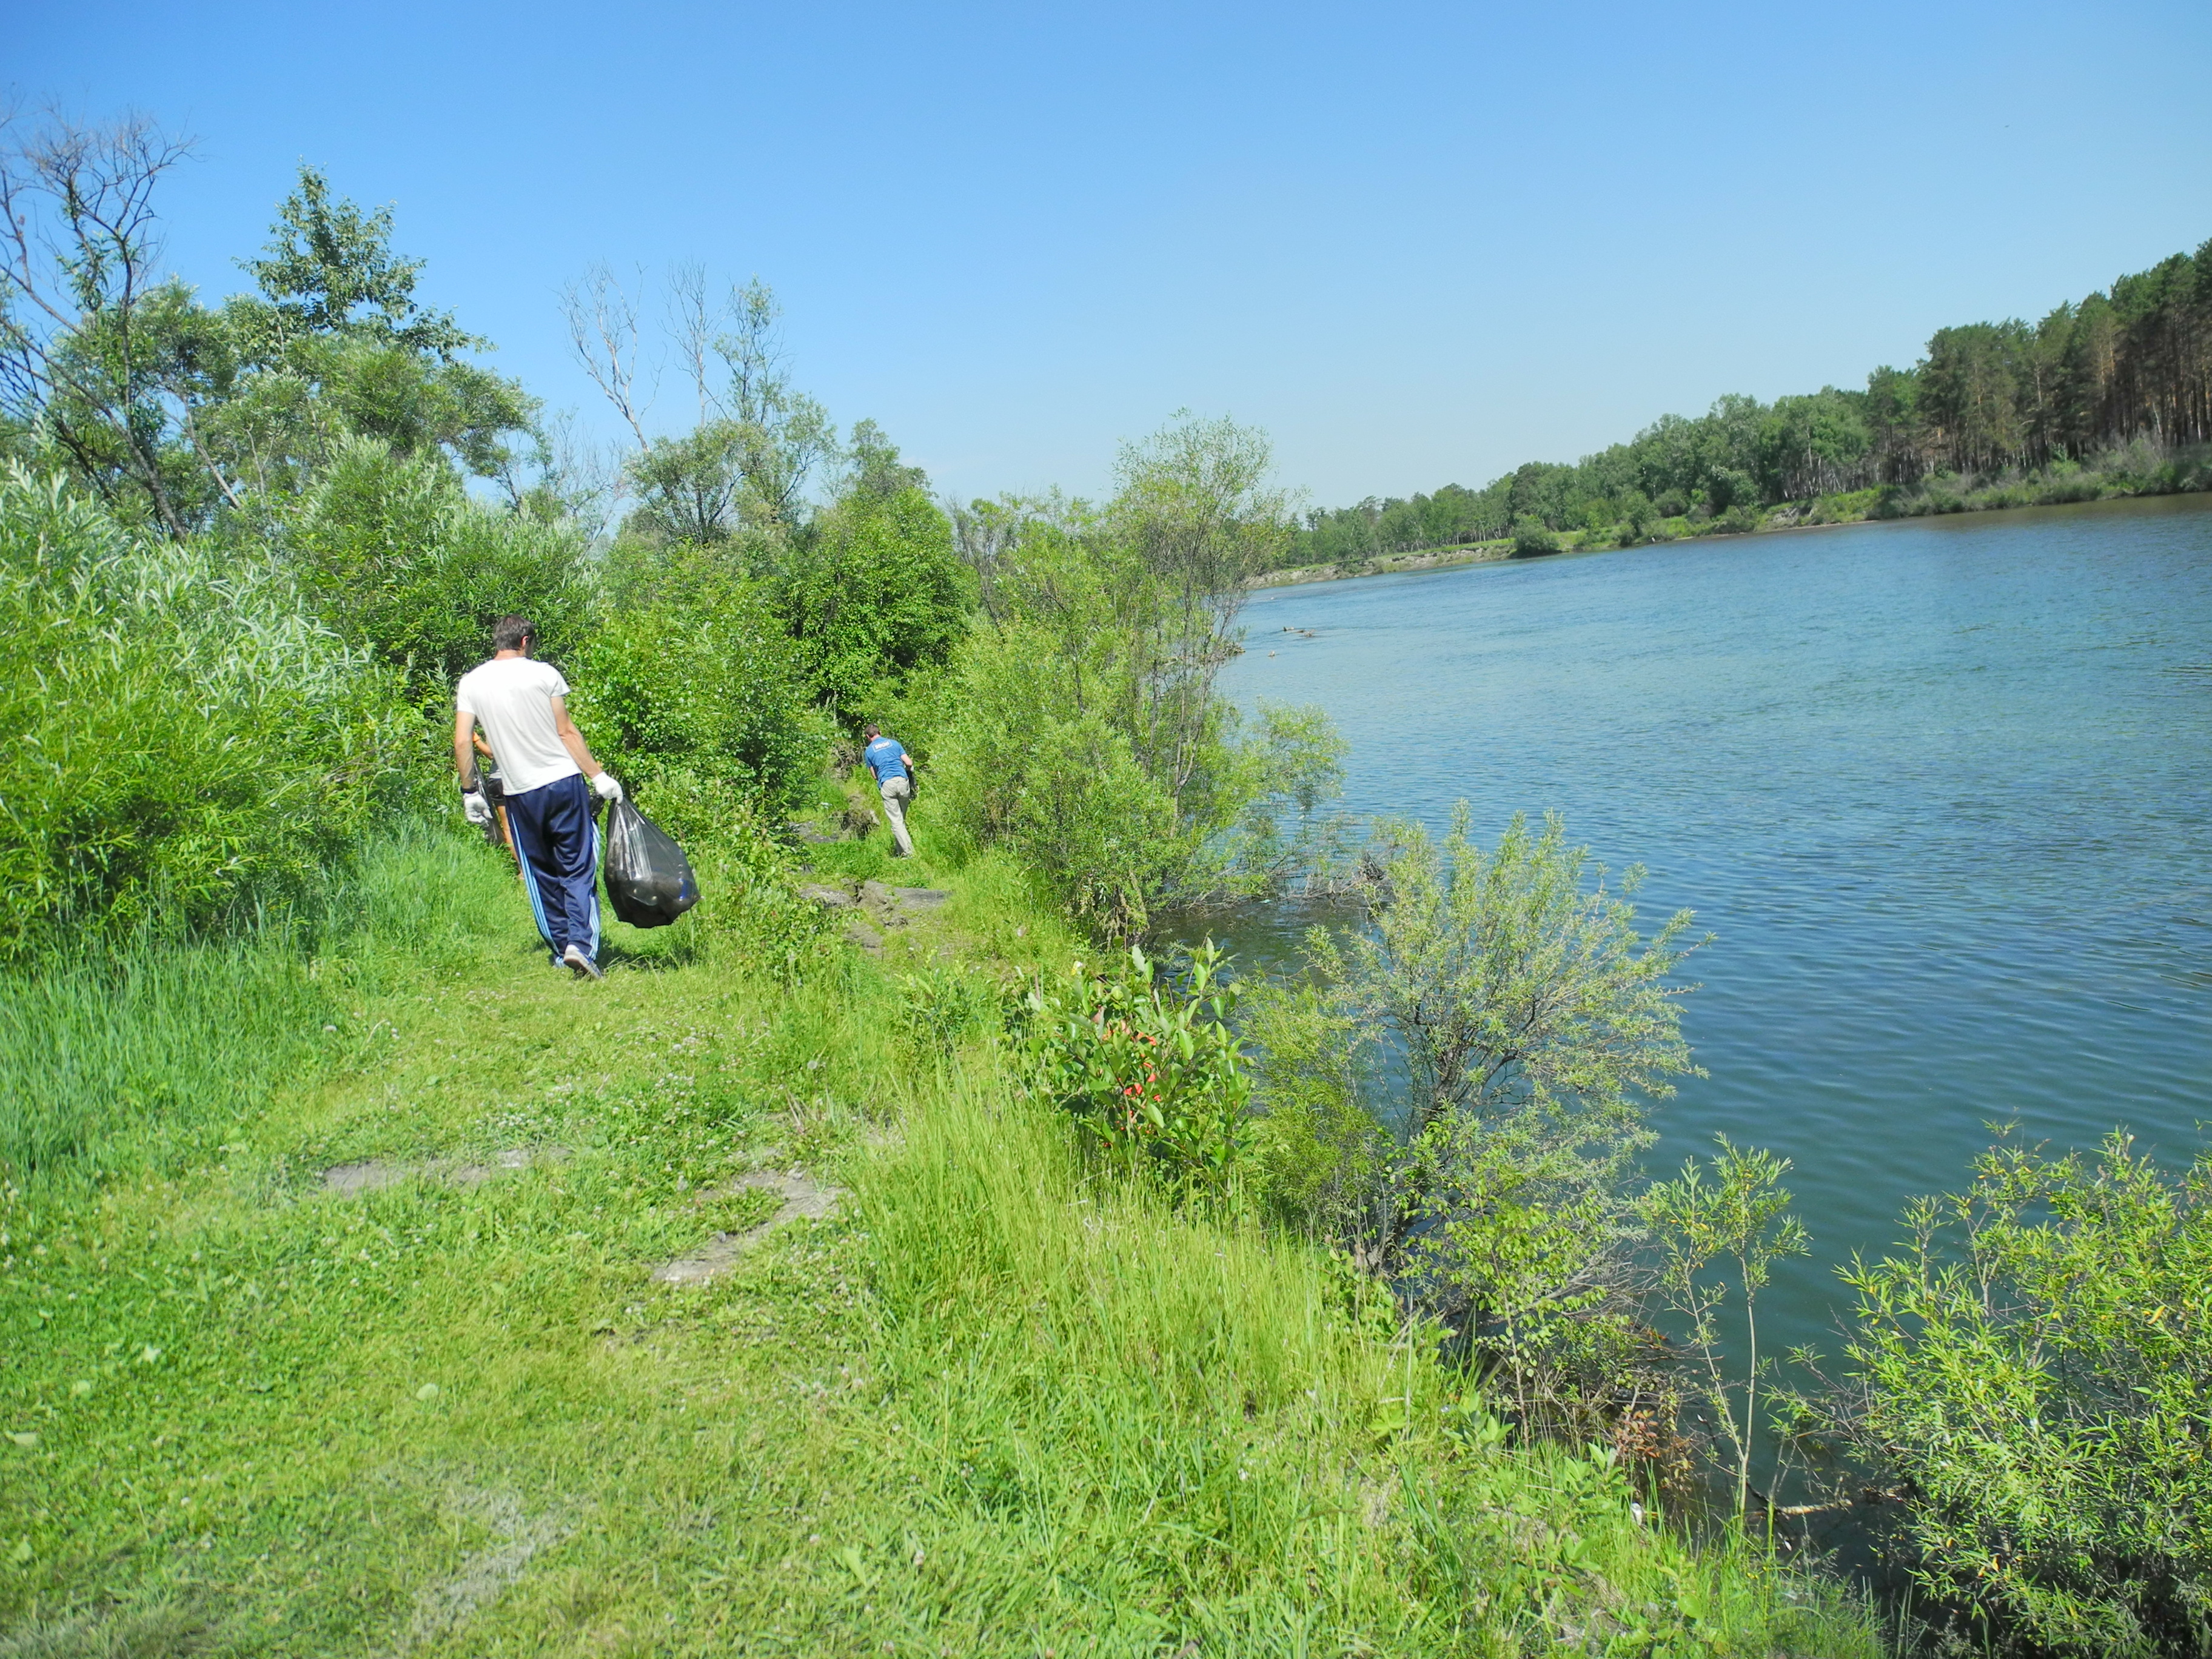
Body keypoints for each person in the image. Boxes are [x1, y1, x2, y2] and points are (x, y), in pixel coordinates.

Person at [455, 616, 624, 979]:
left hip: (518, 793)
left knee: (541, 871)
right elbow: (566, 731)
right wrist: (599, 776)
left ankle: (563, 947)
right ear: (526, 641)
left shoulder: (471, 682)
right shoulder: (544, 673)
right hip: (562, 782)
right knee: (577, 865)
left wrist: (471, 792)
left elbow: (461, 740)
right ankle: (581, 944)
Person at [860, 723, 916, 857]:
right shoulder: (894, 744)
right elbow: (909, 763)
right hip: (902, 781)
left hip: (887, 784)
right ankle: (900, 852)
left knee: (896, 822)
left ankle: (910, 853)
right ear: (880, 732)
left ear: (868, 736)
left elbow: (874, 776)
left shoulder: (869, 751)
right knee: (900, 819)